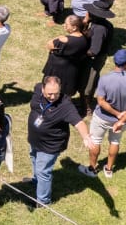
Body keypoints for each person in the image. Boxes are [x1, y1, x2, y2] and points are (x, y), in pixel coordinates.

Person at [26, 76, 91, 208]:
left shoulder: (65, 105)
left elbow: (79, 123)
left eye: (56, 93)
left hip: (50, 145)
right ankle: (36, 180)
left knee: (43, 170)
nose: (53, 97)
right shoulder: (37, 88)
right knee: (34, 158)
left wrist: (86, 137)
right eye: (50, 93)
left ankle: (43, 202)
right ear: (43, 88)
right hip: (35, 139)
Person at [80, 49, 126, 178]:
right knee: (115, 142)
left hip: (101, 118)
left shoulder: (104, 79)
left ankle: (92, 169)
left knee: (95, 141)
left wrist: (116, 113)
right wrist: (121, 118)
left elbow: (101, 102)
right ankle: (109, 170)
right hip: (120, 122)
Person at [77, 4, 116, 117]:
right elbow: (89, 34)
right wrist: (85, 22)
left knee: (88, 83)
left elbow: (94, 50)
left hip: (94, 60)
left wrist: (79, 52)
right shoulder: (99, 23)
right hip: (94, 58)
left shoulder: (99, 29)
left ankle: (87, 107)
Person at [43, 15, 89, 102]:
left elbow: (49, 44)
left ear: (74, 27)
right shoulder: (83, 40)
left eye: (66, 24)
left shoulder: (64, 41)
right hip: (71, 71)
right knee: (65, 94)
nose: (64, 25)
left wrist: (59, 37)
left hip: (57, 70)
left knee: (53, 90)